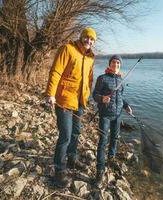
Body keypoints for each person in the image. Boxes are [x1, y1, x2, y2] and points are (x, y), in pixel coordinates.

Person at [45, 27, 97, 188]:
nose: (89, 41)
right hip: (64, 100)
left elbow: (89, 80)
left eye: (92, 39)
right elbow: (56, 71)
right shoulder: (67, 49)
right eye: (87, 38)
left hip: (80, 102)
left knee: (76, 132)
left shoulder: (90, 58)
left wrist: (87, 98)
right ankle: (59, 169)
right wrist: (50, 94)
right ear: (81, 37)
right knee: (65, 135)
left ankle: (72, 158)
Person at [93, 55, 133, 188]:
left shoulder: (121, 79)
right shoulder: (102, 78)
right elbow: (95, 95)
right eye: (113, 62)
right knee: (103, 141)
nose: (116, 65)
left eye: (118, 63)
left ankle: (111, 158)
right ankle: (99, 170)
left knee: (114, 138)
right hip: (105, 115)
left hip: (118, 115)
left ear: (120, 65)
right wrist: (102, 98)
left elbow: (120, 97)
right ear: (109, 64)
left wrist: (126, 106)